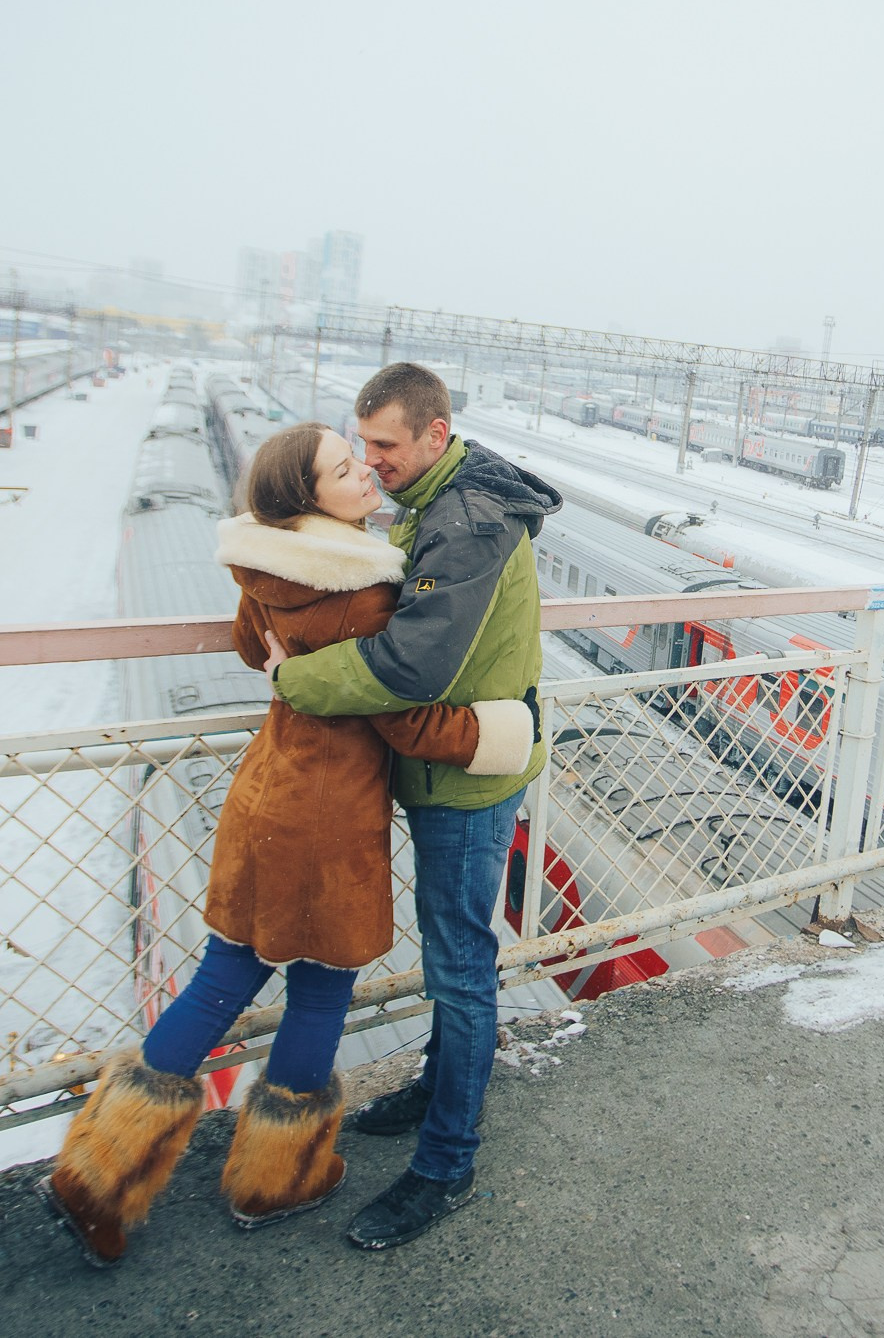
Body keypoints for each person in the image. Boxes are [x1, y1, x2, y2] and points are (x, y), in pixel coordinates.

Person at [43, 420, 534, 1268]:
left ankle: (96, 1170)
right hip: (327, 822)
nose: (366, 474)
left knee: (220, 979)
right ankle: (276, 1180)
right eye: (346, 469)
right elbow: (402, 713)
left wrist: (288, 669)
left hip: (261, 796)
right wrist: (501, 734)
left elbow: (250, 646)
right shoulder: (366, 590)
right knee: (317, 994)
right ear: (311, 498)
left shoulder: (266, 566)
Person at [263, 361, 559, 1251]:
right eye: (364, 446)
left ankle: (447, 1164)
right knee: (454, 956)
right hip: (450, 763)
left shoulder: (464, 518)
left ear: (436, 433)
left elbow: (411, 664)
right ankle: (441, 1086)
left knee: (461, 966)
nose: (374, 461)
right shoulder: (446, 494)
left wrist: (295, 676)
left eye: (386, 446)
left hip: (464, 779)